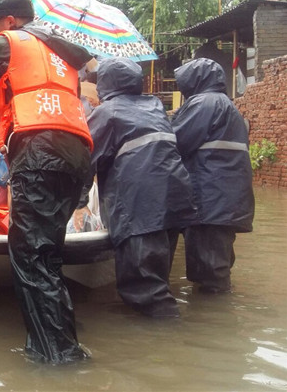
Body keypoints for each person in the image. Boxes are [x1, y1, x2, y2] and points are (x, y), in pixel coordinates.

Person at [0, 0, 93, 364]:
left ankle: (59, 359)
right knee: (47, 257)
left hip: (39, 153)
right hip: (78, 156)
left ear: (10, 21)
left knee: (31, 258)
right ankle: (53, 347)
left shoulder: (10, 42)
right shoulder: (65, 54)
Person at [75, 58, 197, 317]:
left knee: (146, 289)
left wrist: (78, 202)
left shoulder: (108, 112)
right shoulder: (154, 106)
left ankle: (165, 343)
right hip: (174, 199)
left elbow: (86, 159)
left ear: (106, 84)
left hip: (141, 206)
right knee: (157, 276)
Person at [171, 57, 254, 294]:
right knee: (217, 265)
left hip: (209, 200)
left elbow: (176, 140)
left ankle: (212, 318)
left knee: (209, 271)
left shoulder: (204, 104)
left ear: (195, 80)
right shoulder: (223, 104)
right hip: (224, 201)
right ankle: (217, 315)